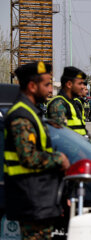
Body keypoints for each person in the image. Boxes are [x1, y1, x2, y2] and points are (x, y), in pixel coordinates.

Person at [4, 62, 70, 240]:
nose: (50, 90)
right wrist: (59, 159)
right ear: (32, 86)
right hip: (31, 200)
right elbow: (28, 157)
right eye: (47, 84)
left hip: (39, 199)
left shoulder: (32, 113)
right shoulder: (21, 116)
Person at [47, 66, 88, 137]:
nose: (82, 87)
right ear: (69, 84)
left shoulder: (72, 102)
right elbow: (61, 136)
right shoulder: (58, 103)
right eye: (79, 83)